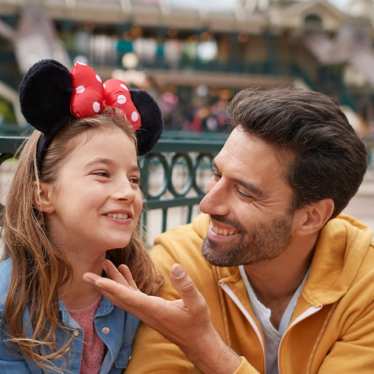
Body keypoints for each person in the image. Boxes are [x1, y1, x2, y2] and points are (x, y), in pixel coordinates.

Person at [85, 88, 374, 374]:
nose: (207, 204)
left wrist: (202, 346)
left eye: (245, 192)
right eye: (217, 175)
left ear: (312, 217)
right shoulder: (180, 262)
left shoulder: (365, 283)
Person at [0, 59, 163, 373]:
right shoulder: (8, 302)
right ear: (44, 194)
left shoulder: (137, 291)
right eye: (102, 173)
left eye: (134, 179)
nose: (128, 193)